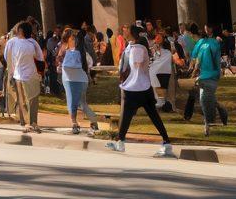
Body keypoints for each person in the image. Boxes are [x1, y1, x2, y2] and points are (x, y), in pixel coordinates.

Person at [107, 24, 175, 157]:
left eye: (126, 30)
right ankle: (166, 143)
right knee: (152, 116)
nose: (123, 31)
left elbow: (136, 65)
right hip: (144, 87)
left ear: (132, 33)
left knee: (127, 115)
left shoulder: (137, 48)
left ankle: (120, 142)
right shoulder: (133, 47)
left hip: (135, 87)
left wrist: (128, 70)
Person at [3, 21, 44, 133]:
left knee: (21, 100)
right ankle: (32, 122)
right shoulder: (32, 43)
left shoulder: (11, 42)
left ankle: (23, 121)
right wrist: (41, 73)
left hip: (17, 75)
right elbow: (40, 59)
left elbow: (7, 57)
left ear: (20, 31)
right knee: (32, 100)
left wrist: (11, 71)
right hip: (30, 75)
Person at [58, 28, 100, 135]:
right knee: (82, 103)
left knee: (72, 102)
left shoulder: (66, 50)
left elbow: (59, 64)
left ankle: (74, 124)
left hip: (70, 79)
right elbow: (90, 63)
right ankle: (94, 121)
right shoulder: (81, 51)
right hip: (82, 80)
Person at [188, 23, 224, 137]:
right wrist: (193, 70)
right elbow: (196, 59)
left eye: (208, 28)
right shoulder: (201, 43)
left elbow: (216, 59)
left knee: (205, 99)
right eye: (205, 29)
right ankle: (210, 122)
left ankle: (208, 123)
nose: (206, 30)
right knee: (205, 99)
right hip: (204, 75)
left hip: (212, 75)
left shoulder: (215, 42)